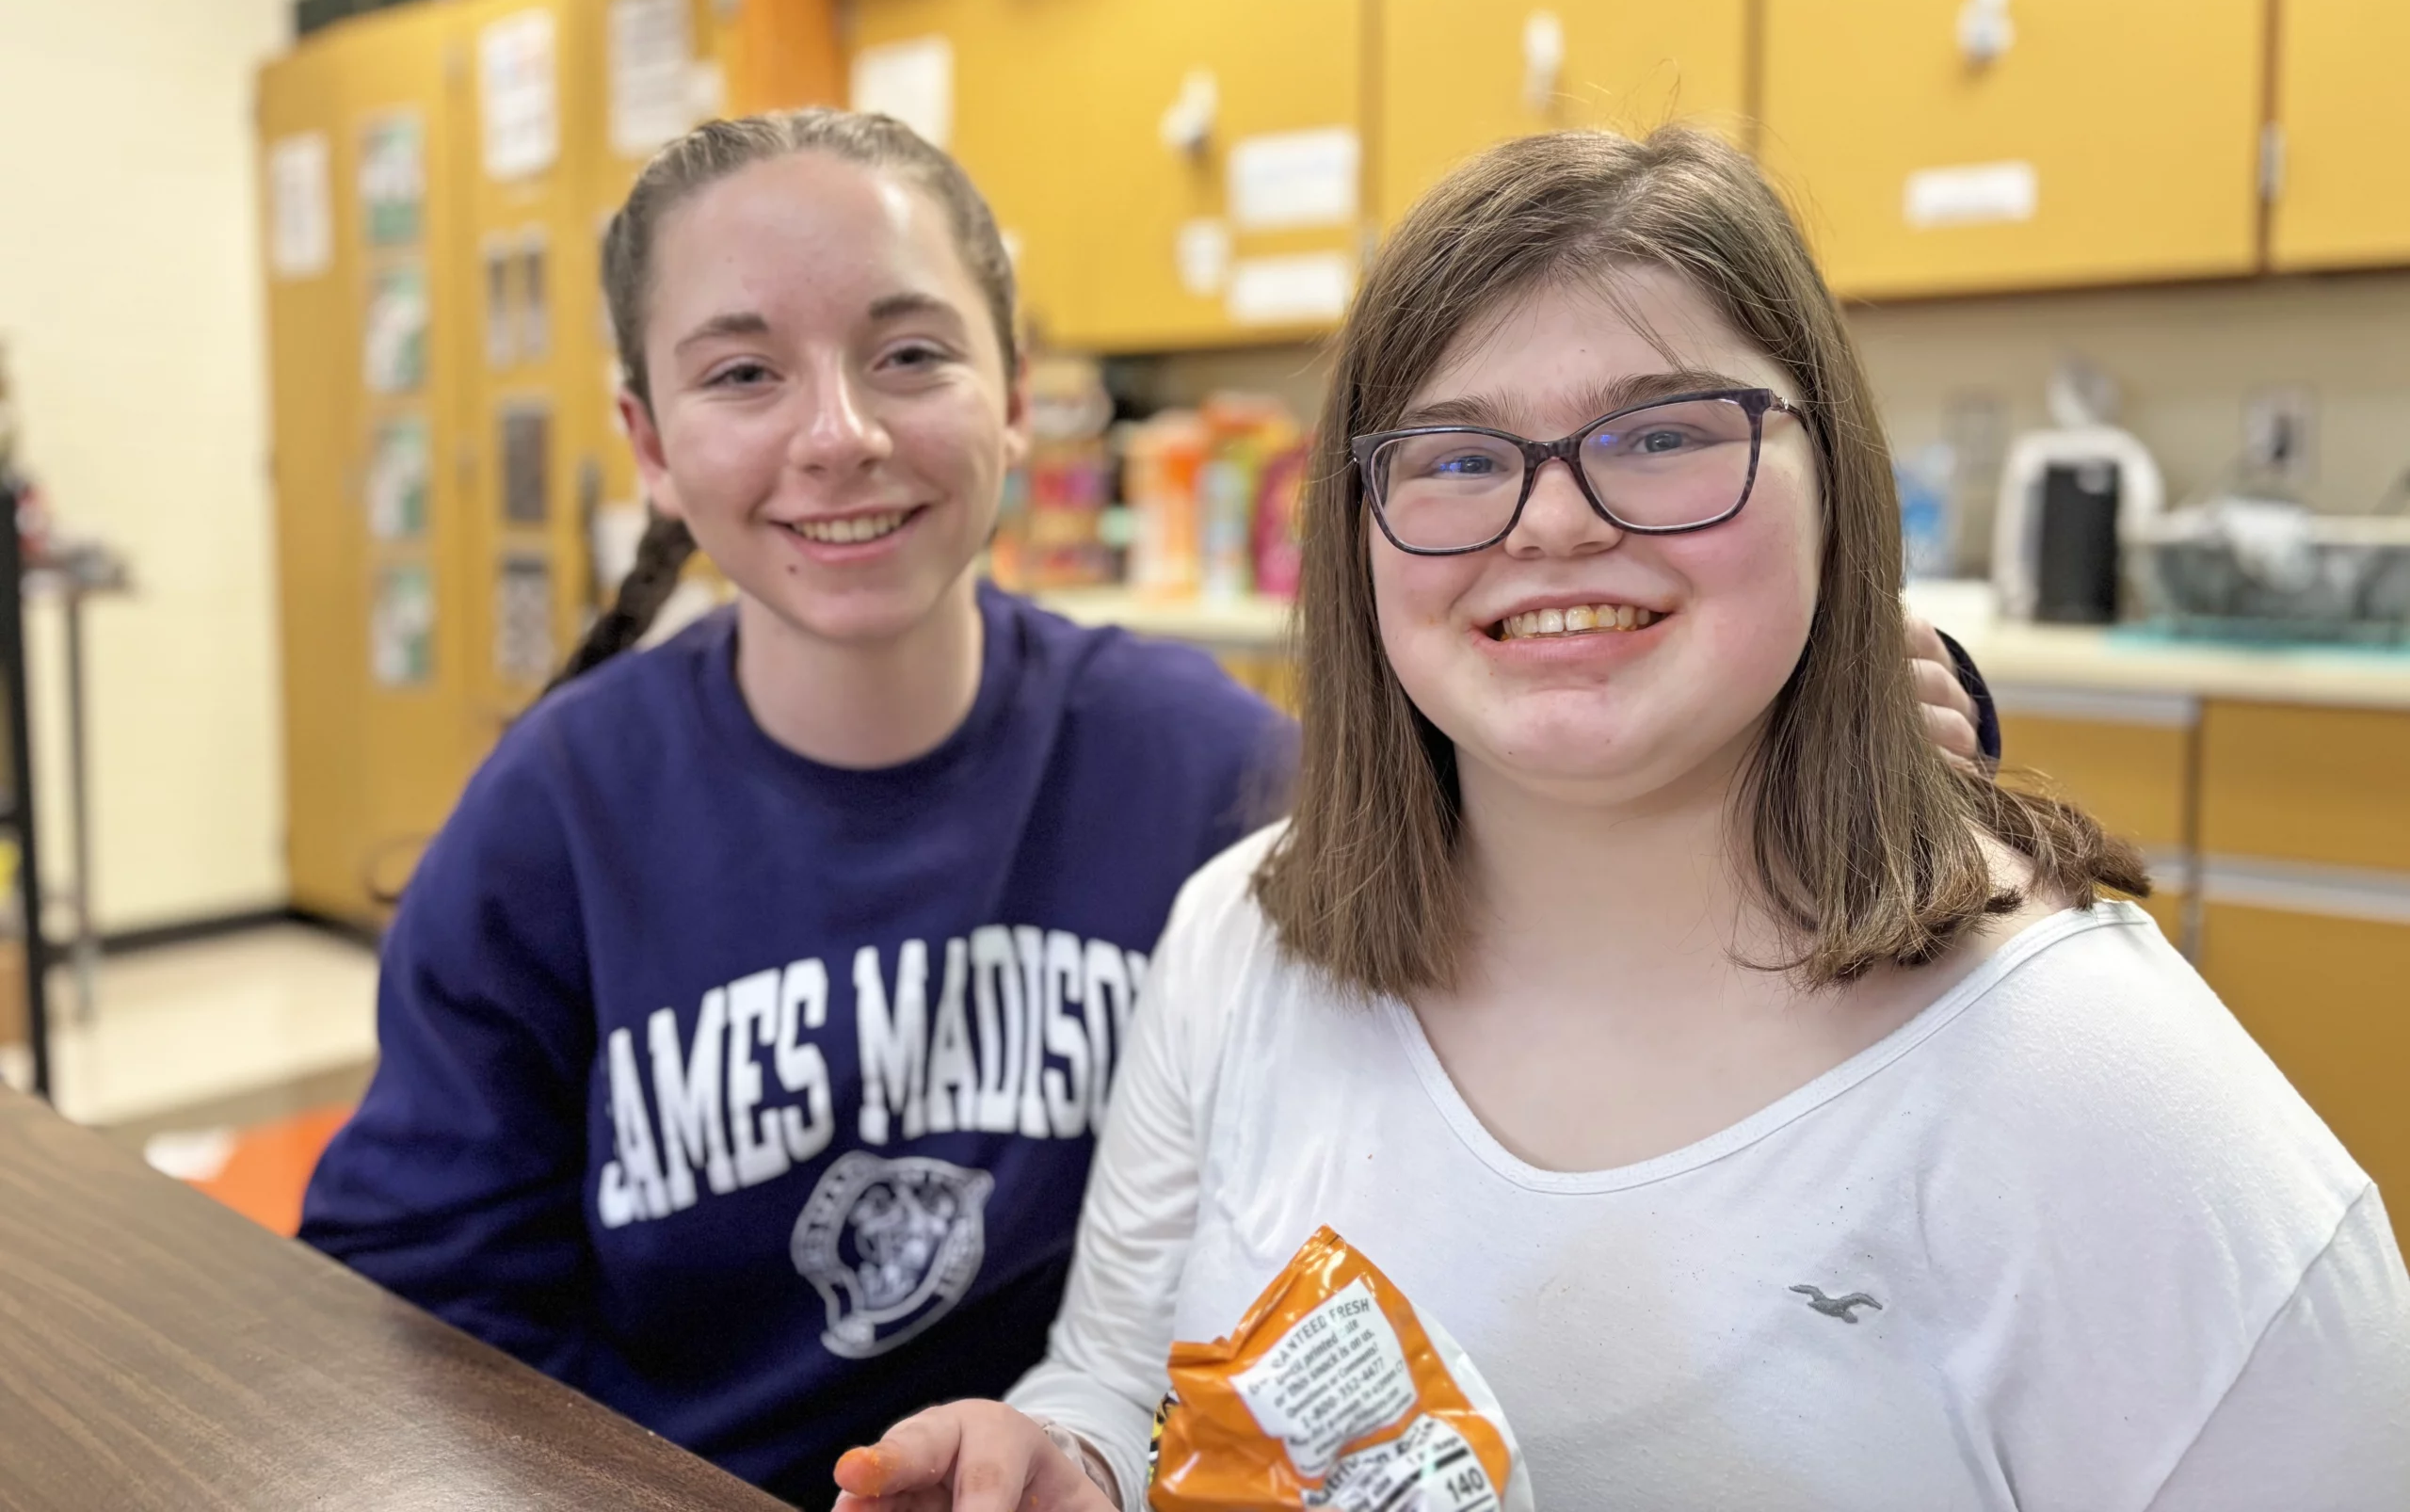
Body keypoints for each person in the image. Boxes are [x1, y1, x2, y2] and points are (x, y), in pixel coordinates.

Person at [298, 110, 1997, 1506]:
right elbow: (400, 1311)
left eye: (909, 353)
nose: (839, 435)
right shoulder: (551, 817)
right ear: (648, 443)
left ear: (1016, 396)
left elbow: (1538, 781)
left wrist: (1825, 697)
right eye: (742, 376)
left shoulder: (1200, 762)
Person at [835, 128, 2410, 1512]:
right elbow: (1118, 1378)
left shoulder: (2114, 1109)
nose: (1556, 519)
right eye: (1459, 457)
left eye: (1663, 434)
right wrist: (1063, 1460)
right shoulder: (1244, 941)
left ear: (1838, 486)